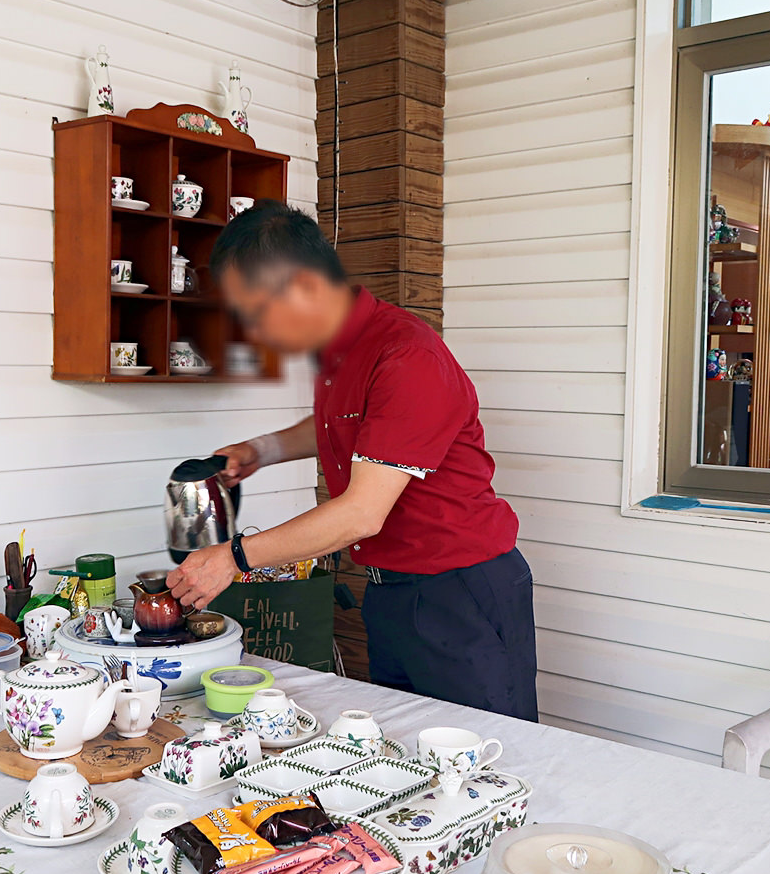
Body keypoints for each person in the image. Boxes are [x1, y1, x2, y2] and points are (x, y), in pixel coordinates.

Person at [164, 201, 538, 720]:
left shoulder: (407, 356)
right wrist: (261, 451)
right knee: (404, 748)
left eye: (255, 312)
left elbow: (362, 513)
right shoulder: (340, 352)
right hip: (390, 593)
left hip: (460, 593)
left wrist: (234, 557)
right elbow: (344, 426)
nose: (253, 329)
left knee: (492, 751)